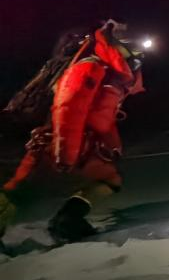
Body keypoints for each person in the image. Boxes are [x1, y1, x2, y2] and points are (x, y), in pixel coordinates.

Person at [2, 21, 147, 243]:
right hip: (57, 140)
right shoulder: (91, 66)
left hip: (85, 143)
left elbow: (101, 111)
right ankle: (64, 221)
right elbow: (68, 107)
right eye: (136, 47)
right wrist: (65, 153)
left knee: (108, 180)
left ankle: (68, 220)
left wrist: (108, 143)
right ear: (119, 44)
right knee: (21, 190)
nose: (140, 54)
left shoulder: (114, 71)